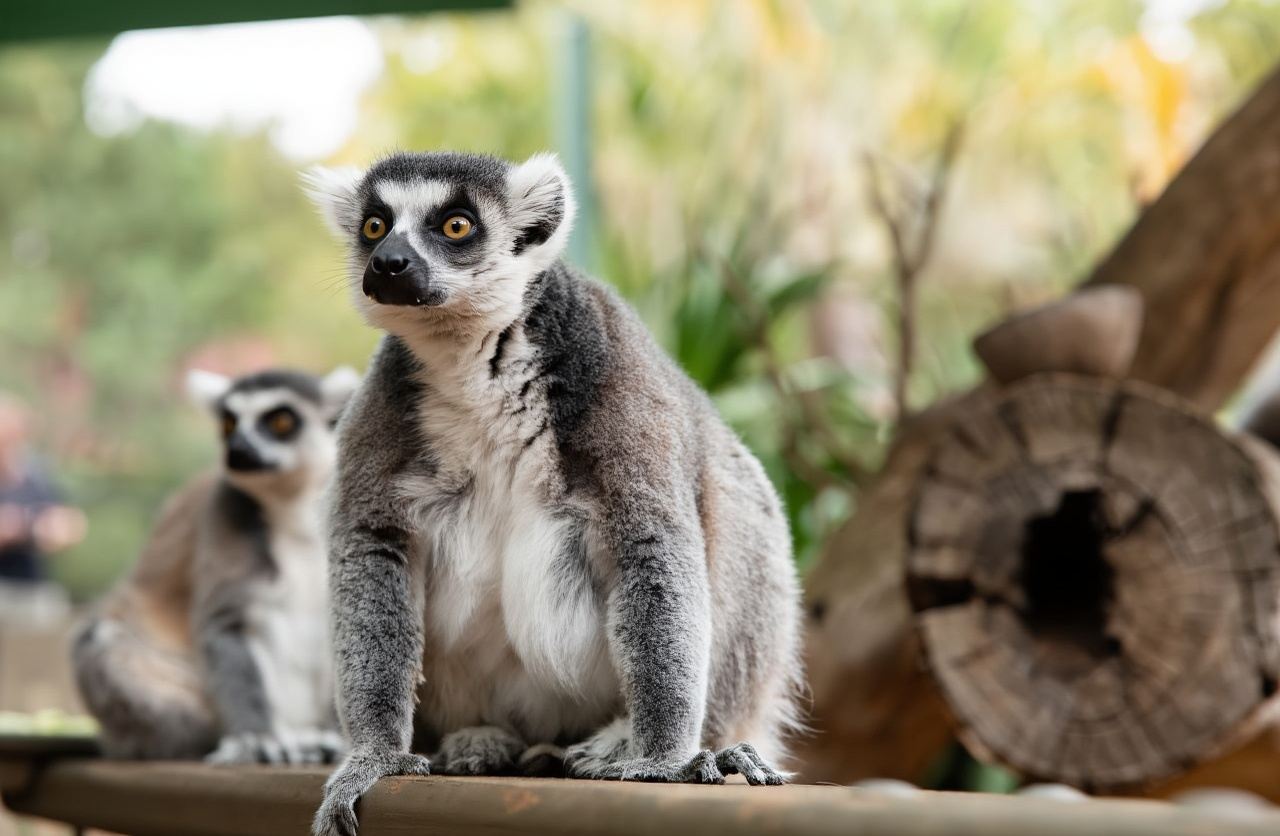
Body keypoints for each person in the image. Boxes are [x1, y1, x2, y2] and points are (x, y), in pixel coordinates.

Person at [0, 392, 83, 623]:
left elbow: (66, 522)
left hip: (31, 586)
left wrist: (58, 530)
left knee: (53, 616)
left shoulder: (37, 475)